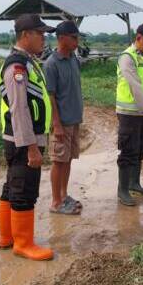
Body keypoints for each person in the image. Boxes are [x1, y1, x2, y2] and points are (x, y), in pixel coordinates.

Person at [0, 14, 55, 261]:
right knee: (24, 189)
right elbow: (19, 110)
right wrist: (32, 147)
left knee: (12, 186)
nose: (44, 38)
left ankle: (7, 237)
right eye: (40, 33)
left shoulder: (28, 62)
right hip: (23, 140)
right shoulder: (17, 66)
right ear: (25, 35)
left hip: (19, 139)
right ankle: (23, 243)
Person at [115, 23, 143, 206]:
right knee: (128, 151)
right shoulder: (127, 57)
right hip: (129, 113)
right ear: (138, 37)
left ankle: (134, 183)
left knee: (141, 147)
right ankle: (122, 190)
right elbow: (135, 85)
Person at [44, 20, 84, 215]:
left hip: (74, 120)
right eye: (74, 37)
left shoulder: (73, 60)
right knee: (58, 161)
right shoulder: (52, 64)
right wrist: (56, 123)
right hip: (62, 123)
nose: (77, 41)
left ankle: (63, 195)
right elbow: (50, 97)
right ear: (61, 39)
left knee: (67, 160)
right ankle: (55, 202)